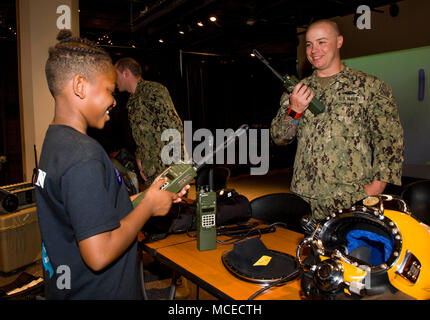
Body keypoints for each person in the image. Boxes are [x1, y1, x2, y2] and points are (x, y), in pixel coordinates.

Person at [35, 30, 189, 300]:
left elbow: (93, 215)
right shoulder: (84, 156)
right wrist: (150, 207)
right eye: (108, 90)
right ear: (80, 86)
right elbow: (99, 253)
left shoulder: (55, 142)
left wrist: (146, 196)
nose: (113, 100)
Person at [270, 20, 404, 220]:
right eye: (309, 44)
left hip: (351, 196)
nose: (314, 50)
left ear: (339, 41)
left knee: (352, 250)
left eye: (322, 42)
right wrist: (295, 110)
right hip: (305, 197)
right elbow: (280, 138)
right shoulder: (298, 90)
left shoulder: (370, 86)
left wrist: (377, 185)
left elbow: (390, 139)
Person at [114, 57, 185, 187]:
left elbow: (173, 125)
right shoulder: (132, 100)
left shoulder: (152, 90)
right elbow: (142, 135)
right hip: (151, 168)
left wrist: (173, 167)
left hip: (164, 166)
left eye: (116, 75)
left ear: (126, 73)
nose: (114, 80)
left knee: (170, 204)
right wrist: (140, 157)